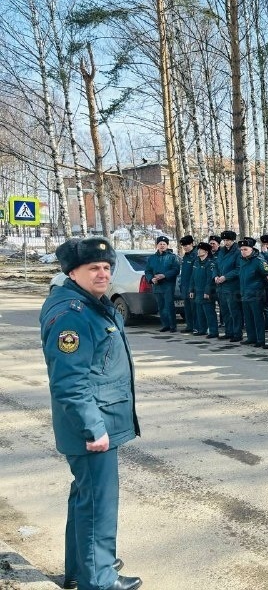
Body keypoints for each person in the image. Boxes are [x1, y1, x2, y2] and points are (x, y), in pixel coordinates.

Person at [40, 237, 143, 590]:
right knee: (98, 505)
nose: (103, 274)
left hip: (97, 420)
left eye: (106, 267)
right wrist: (93, 427)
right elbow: (69, 381)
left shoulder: (92, 304)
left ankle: (81, 571)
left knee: (86, 498)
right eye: (93, 268)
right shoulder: (74, 313)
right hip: (93, 425)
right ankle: (99, 580)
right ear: (73, 272)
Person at [238, 237, 268, 347]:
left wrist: (260, 288)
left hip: (256, 294)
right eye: (241, 250)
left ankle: (260, 339)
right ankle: (251, 337)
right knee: (248, 318)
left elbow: (267, 276)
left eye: (245, 249)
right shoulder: (241, 260)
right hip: (245, 293)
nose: (243, 252)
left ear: (252, 249)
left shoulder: (259, 261)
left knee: (258, 318)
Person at [145, 235, 180, 332]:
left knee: (169, 305)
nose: (162, 245)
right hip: (156, 286)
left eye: (164, 244)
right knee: (161, 306)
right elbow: (147, 271)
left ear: (167, 245)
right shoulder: (152, 258)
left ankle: (173, 326)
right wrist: (151, 279)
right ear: (157, 245)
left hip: (168, 285)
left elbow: (176, 270)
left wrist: (164, 275)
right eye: (160, 244)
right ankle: (165, 325)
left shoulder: (172, 257)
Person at [215, 231, 243, 342]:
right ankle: (228, 331)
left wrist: (225, 277)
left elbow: (238, 269)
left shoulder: (237, 251)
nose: (226, 242)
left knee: (234, 311)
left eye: (228, 240)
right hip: (221, 286)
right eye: (224, 240)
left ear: (233, 240)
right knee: (225, 311)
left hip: (232, 286)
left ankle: (237, 333)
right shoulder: (221, 251)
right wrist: (215, 276)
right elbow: (216, 265)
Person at [189, 242, 218, 338]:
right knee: (199, 312)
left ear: (206, 251)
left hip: (206, 292)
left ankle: (213, 331)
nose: (198, 251)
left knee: (209, 312)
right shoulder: (196, 262)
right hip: (197, 291)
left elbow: (210, 279)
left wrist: (207, 291)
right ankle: (202, 329)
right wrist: (191, 290)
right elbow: (192, 277)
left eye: (200, 250)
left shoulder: (210, 263)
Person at [178, 235, 197, 334]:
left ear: (192, 244)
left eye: (187, 245)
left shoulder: (196, 255)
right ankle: (189, 325)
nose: (185, 247)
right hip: (185, 285)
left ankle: (196, 326)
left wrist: (192, 287)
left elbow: (194, 274)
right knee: (187, 308)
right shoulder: (186, 255)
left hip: (192, 286)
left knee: (194, 308)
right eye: (184, 246)